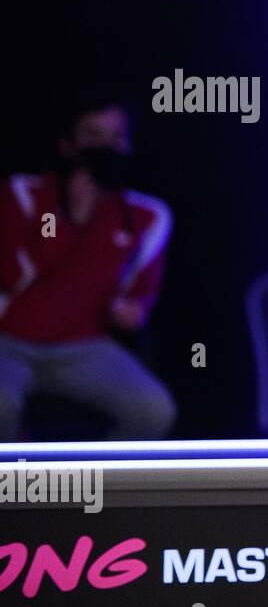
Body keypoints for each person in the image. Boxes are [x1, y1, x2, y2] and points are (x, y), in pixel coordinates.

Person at [0, 96, 176, 440]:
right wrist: (71, 221)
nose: (105, 148)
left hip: (83, 348)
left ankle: (95, 486)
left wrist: (134, 311)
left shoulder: (147, 216)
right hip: (10, 342)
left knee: (154, 409)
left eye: (116, 138)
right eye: (92, 136)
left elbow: (139, 295)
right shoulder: (25, 194)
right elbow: (12, 276)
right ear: (68, 144)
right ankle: (14, 490)